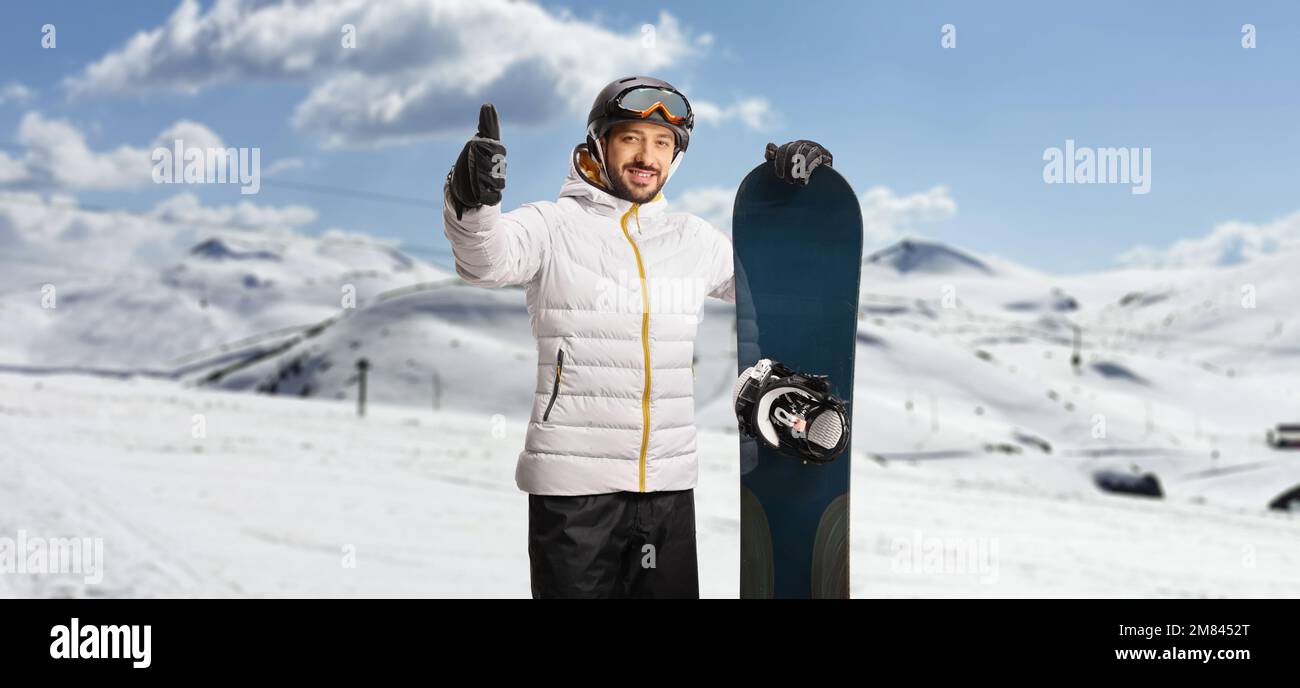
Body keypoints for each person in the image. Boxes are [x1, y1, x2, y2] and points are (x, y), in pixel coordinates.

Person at [443, 75, 832, 598]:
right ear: (598, 143)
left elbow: (770, 283)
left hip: (667, 491)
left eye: (663, 143)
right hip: (574, 493)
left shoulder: (691, 239)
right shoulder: (552, 226)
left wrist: (793, 203)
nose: (647, 155)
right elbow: (485, 260)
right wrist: (471, 203)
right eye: (631, 137)